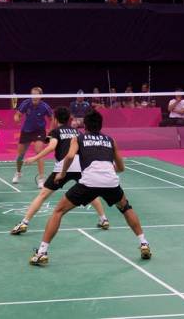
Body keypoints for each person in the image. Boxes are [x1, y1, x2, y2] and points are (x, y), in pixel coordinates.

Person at [29, 109, 151, 266]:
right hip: (111, 182)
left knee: (58, 211)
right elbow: (121, 168)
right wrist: (106, 170)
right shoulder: (110, 140)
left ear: (84, 125)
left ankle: (42, 253)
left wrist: (63, 173)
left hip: (89, 182)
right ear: (101, 125)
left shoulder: (78, 138)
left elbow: (71, 156)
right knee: (126, 208)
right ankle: (144, 243)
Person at [10, 106, 109, 235]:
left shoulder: (56, 131)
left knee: (43, 195)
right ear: (69, 119)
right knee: (90, 193)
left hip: (64, 166)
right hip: (80, 166)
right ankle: (104, 219)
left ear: (55, 119)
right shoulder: (77, 132)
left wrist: (35, 157)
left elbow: (51, 147)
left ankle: (24, 222)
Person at [12, 87, 53, 188]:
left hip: (39, 131)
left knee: (39, 153)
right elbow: (17, 115)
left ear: (40, 96)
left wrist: (50, 133)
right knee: (20, 156)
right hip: (26, 131)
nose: (34, 96)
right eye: (32, 94)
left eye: (36, 95)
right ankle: (18, 172)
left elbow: (52, 119)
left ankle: (41, 178)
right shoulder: (26, 103)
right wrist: (17, 119)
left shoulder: (45, 106)